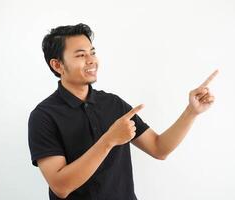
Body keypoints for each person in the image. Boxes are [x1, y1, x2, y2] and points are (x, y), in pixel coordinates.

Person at [28, 23, 218, 200]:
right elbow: (61, 187)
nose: (91, 60)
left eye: (92, 52)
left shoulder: (113, 104)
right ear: (57, 65)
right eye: (80, 55)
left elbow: (159, 148)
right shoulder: (43, 116)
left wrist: (191, 112)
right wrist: (109, 140)